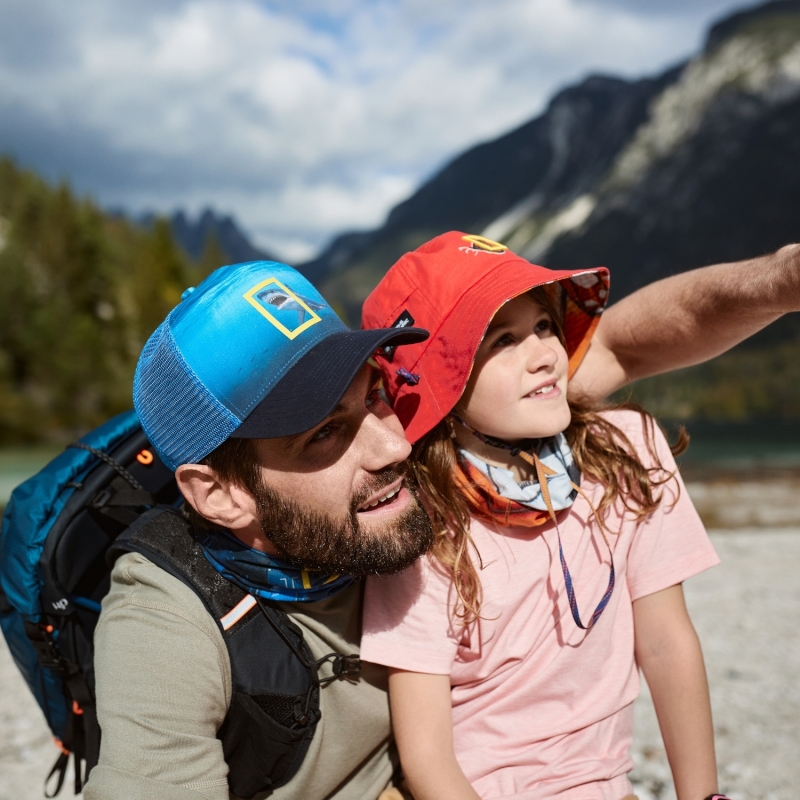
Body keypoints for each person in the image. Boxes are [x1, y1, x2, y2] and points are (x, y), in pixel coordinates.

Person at [83, 239, 798, 800]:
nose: (394, 446)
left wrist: (776, 280)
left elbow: (616, 347)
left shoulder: (450, 456)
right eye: (325, 434)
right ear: (220, 495)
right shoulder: (166, 624)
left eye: (377, 399)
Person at [359, 232, 722, 800]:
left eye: (546, 326)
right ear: (440, 385)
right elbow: (428, 759)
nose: (545, 355)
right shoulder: (422, 523)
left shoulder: (628, 449)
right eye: (502, 340)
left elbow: (666, 643)